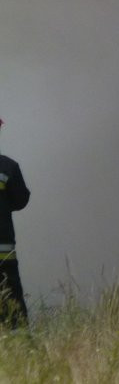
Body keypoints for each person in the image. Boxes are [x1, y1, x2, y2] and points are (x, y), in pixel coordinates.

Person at [0, 118, 31, 328]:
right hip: (4, 258)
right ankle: (20, 352)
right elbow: (20, 200)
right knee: (13, 310)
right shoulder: (8, 166)